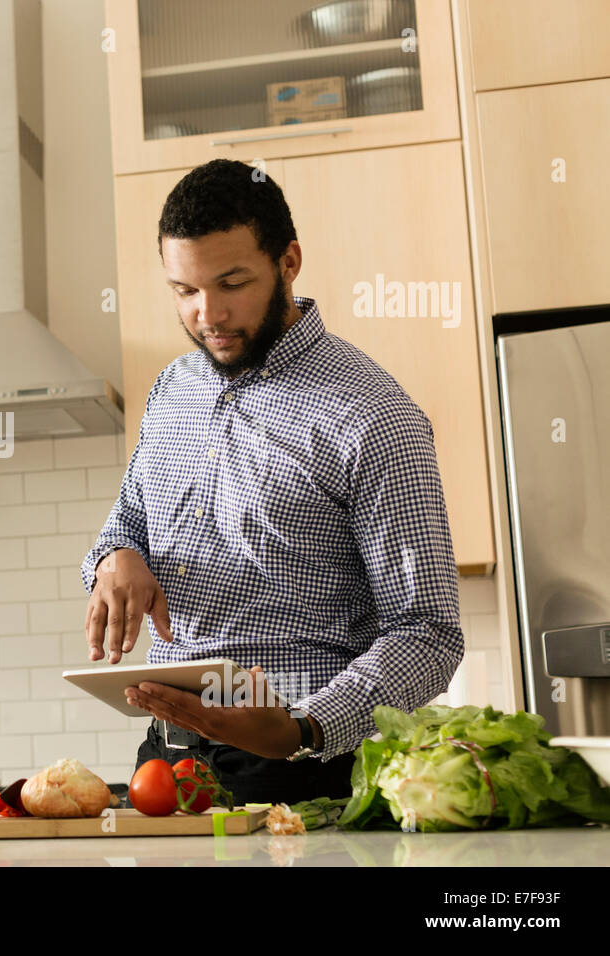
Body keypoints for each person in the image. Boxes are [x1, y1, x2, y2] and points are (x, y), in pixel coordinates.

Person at [80, 159, 464, 806]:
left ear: (288, 262)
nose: (208, 315)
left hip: (305, 771)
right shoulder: (173, 389)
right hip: (164, 766)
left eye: (232, 282)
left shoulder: (374, 417)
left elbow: (429, 634)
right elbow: (129, 524)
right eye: (184, 291)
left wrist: (301, 728)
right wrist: (115, 558)